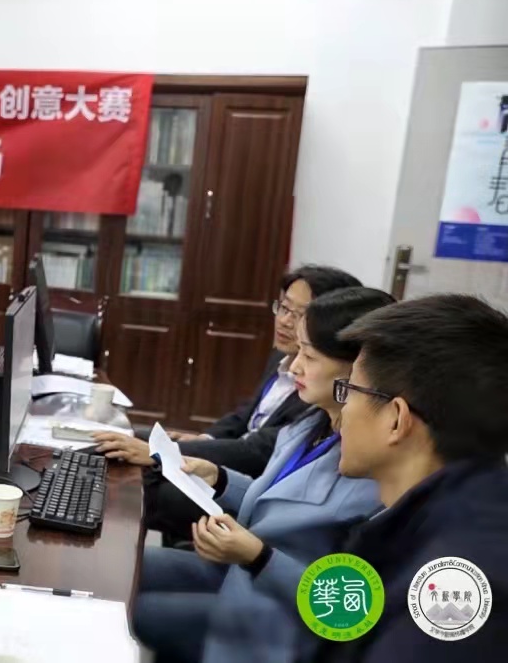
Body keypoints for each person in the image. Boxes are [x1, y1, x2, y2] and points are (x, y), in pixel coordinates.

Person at [131, 287, 394, 663]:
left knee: (135, 611)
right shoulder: (311, 424)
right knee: (124, 569)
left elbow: (346, 606)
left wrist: (258, 556)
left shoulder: (371, 467)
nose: (294, 367)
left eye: (309, 356)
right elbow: (279, 499)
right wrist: (220, 479)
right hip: (242, 576)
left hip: (280, 616)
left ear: (356, 370)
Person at [313, 295, 508, 662]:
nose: (342, 411)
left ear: (396, 419)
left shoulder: (450, 598)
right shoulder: (469, 512)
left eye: (350, 391)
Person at [95, 265, 361, 475]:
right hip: (225, 459)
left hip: (243, 474)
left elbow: (258, 451)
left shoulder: (321, 388)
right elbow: (244, 416)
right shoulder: (281, 357)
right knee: (122, 438)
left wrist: (167, 452)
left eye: (300, 314)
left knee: (140, 470)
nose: (284, 321)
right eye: (283, 307)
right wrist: (204, 438)